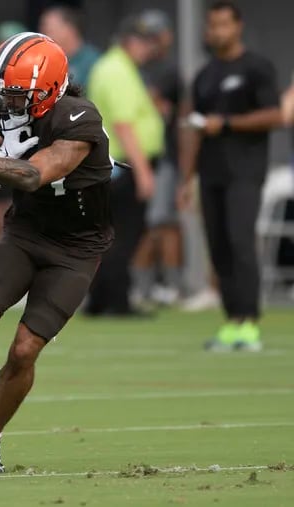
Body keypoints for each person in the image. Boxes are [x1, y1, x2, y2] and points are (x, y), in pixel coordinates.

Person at [0, 32, 114, 473]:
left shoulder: (78, 119)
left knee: (26, 348)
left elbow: (31, 174)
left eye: (13, 96)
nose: (3, 105)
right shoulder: (11, 108)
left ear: (47, 92)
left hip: (75, 250)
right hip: (26, 234)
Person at [177, 0, 281, 351]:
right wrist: (185, 178)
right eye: (212, 25)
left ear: (237, 26)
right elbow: (193, 127)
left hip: (246, 172)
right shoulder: (205, 75)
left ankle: (249, 322)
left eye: (223, 24)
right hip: (211, 174)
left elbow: (274, 116)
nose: (217, 31)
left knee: (240, 241)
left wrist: (227, 124)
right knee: (219, 248)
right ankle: (231, 321)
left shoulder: (257, 68)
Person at [85, 15, 161, 316]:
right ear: (130, 41)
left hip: (111, 165)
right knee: (124, 234)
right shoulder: (118, 69)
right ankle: (116, 300)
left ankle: (101, 299)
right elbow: (124, 124)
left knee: (107, 234)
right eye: (144, 42)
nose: (148, 49)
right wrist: (143, 172)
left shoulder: (113, 67)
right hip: (124, 165)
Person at [131, 9, 184, 307]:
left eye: (152, 36)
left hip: (163, 155)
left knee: (160, 221)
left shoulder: (167, 70)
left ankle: (168, 285)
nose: (148, 43)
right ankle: (147, 284)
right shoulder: (138, 68)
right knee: (149, 222)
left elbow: (162, 109)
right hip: (140, 155)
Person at [39, 6, 100, 92]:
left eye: (49, 31)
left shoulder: (93, 61)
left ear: (69, 29)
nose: (44, 36)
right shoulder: (44, 60)